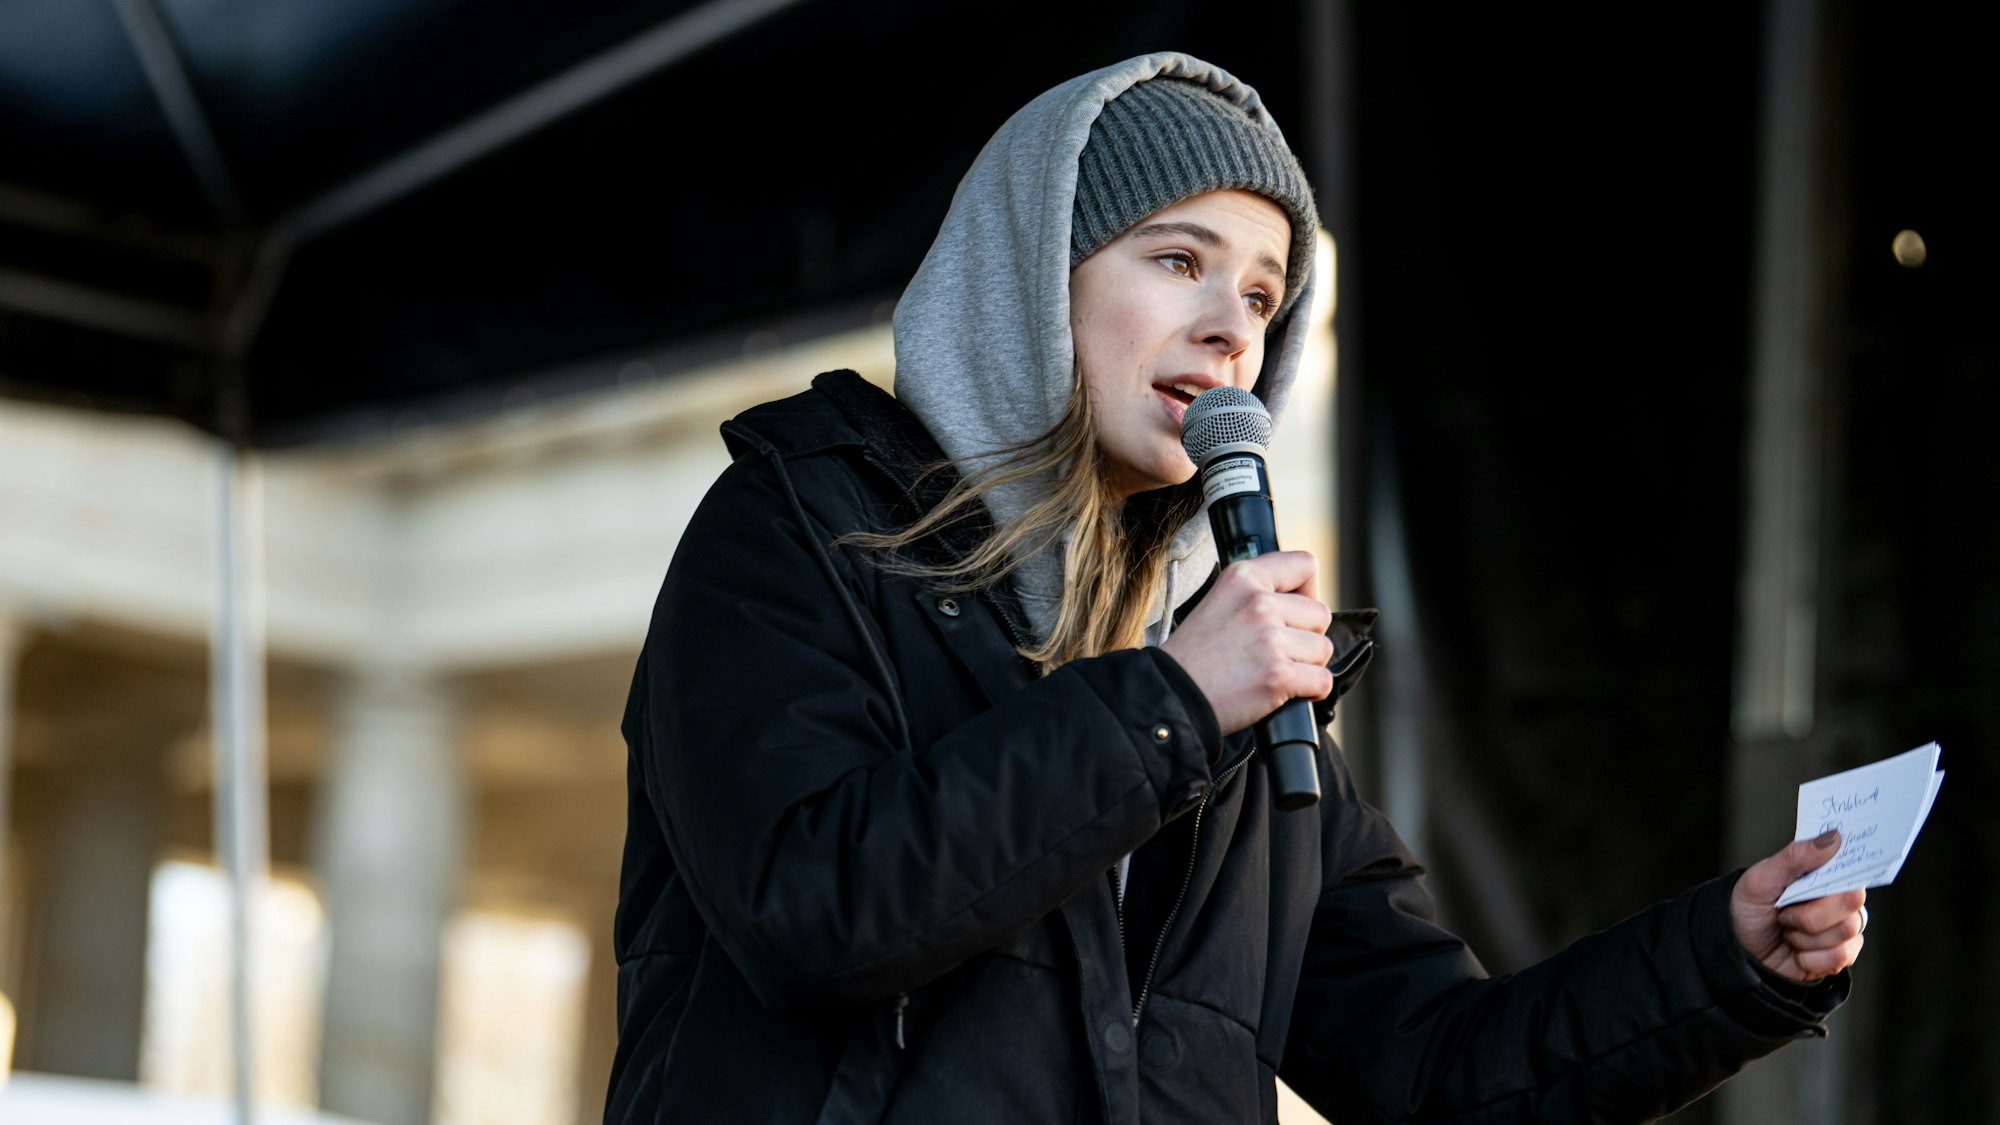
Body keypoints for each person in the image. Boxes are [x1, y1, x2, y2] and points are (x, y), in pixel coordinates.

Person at [604, 53, 1865, 1123]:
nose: (1229, 327)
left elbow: (1432, 1064)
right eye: (1176, 259)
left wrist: (1725, 959)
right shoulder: (799, 528)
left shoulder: (1227, 678)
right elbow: (812, 912)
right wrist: (1168, 703)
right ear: (1032, 276)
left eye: (1262, 293)